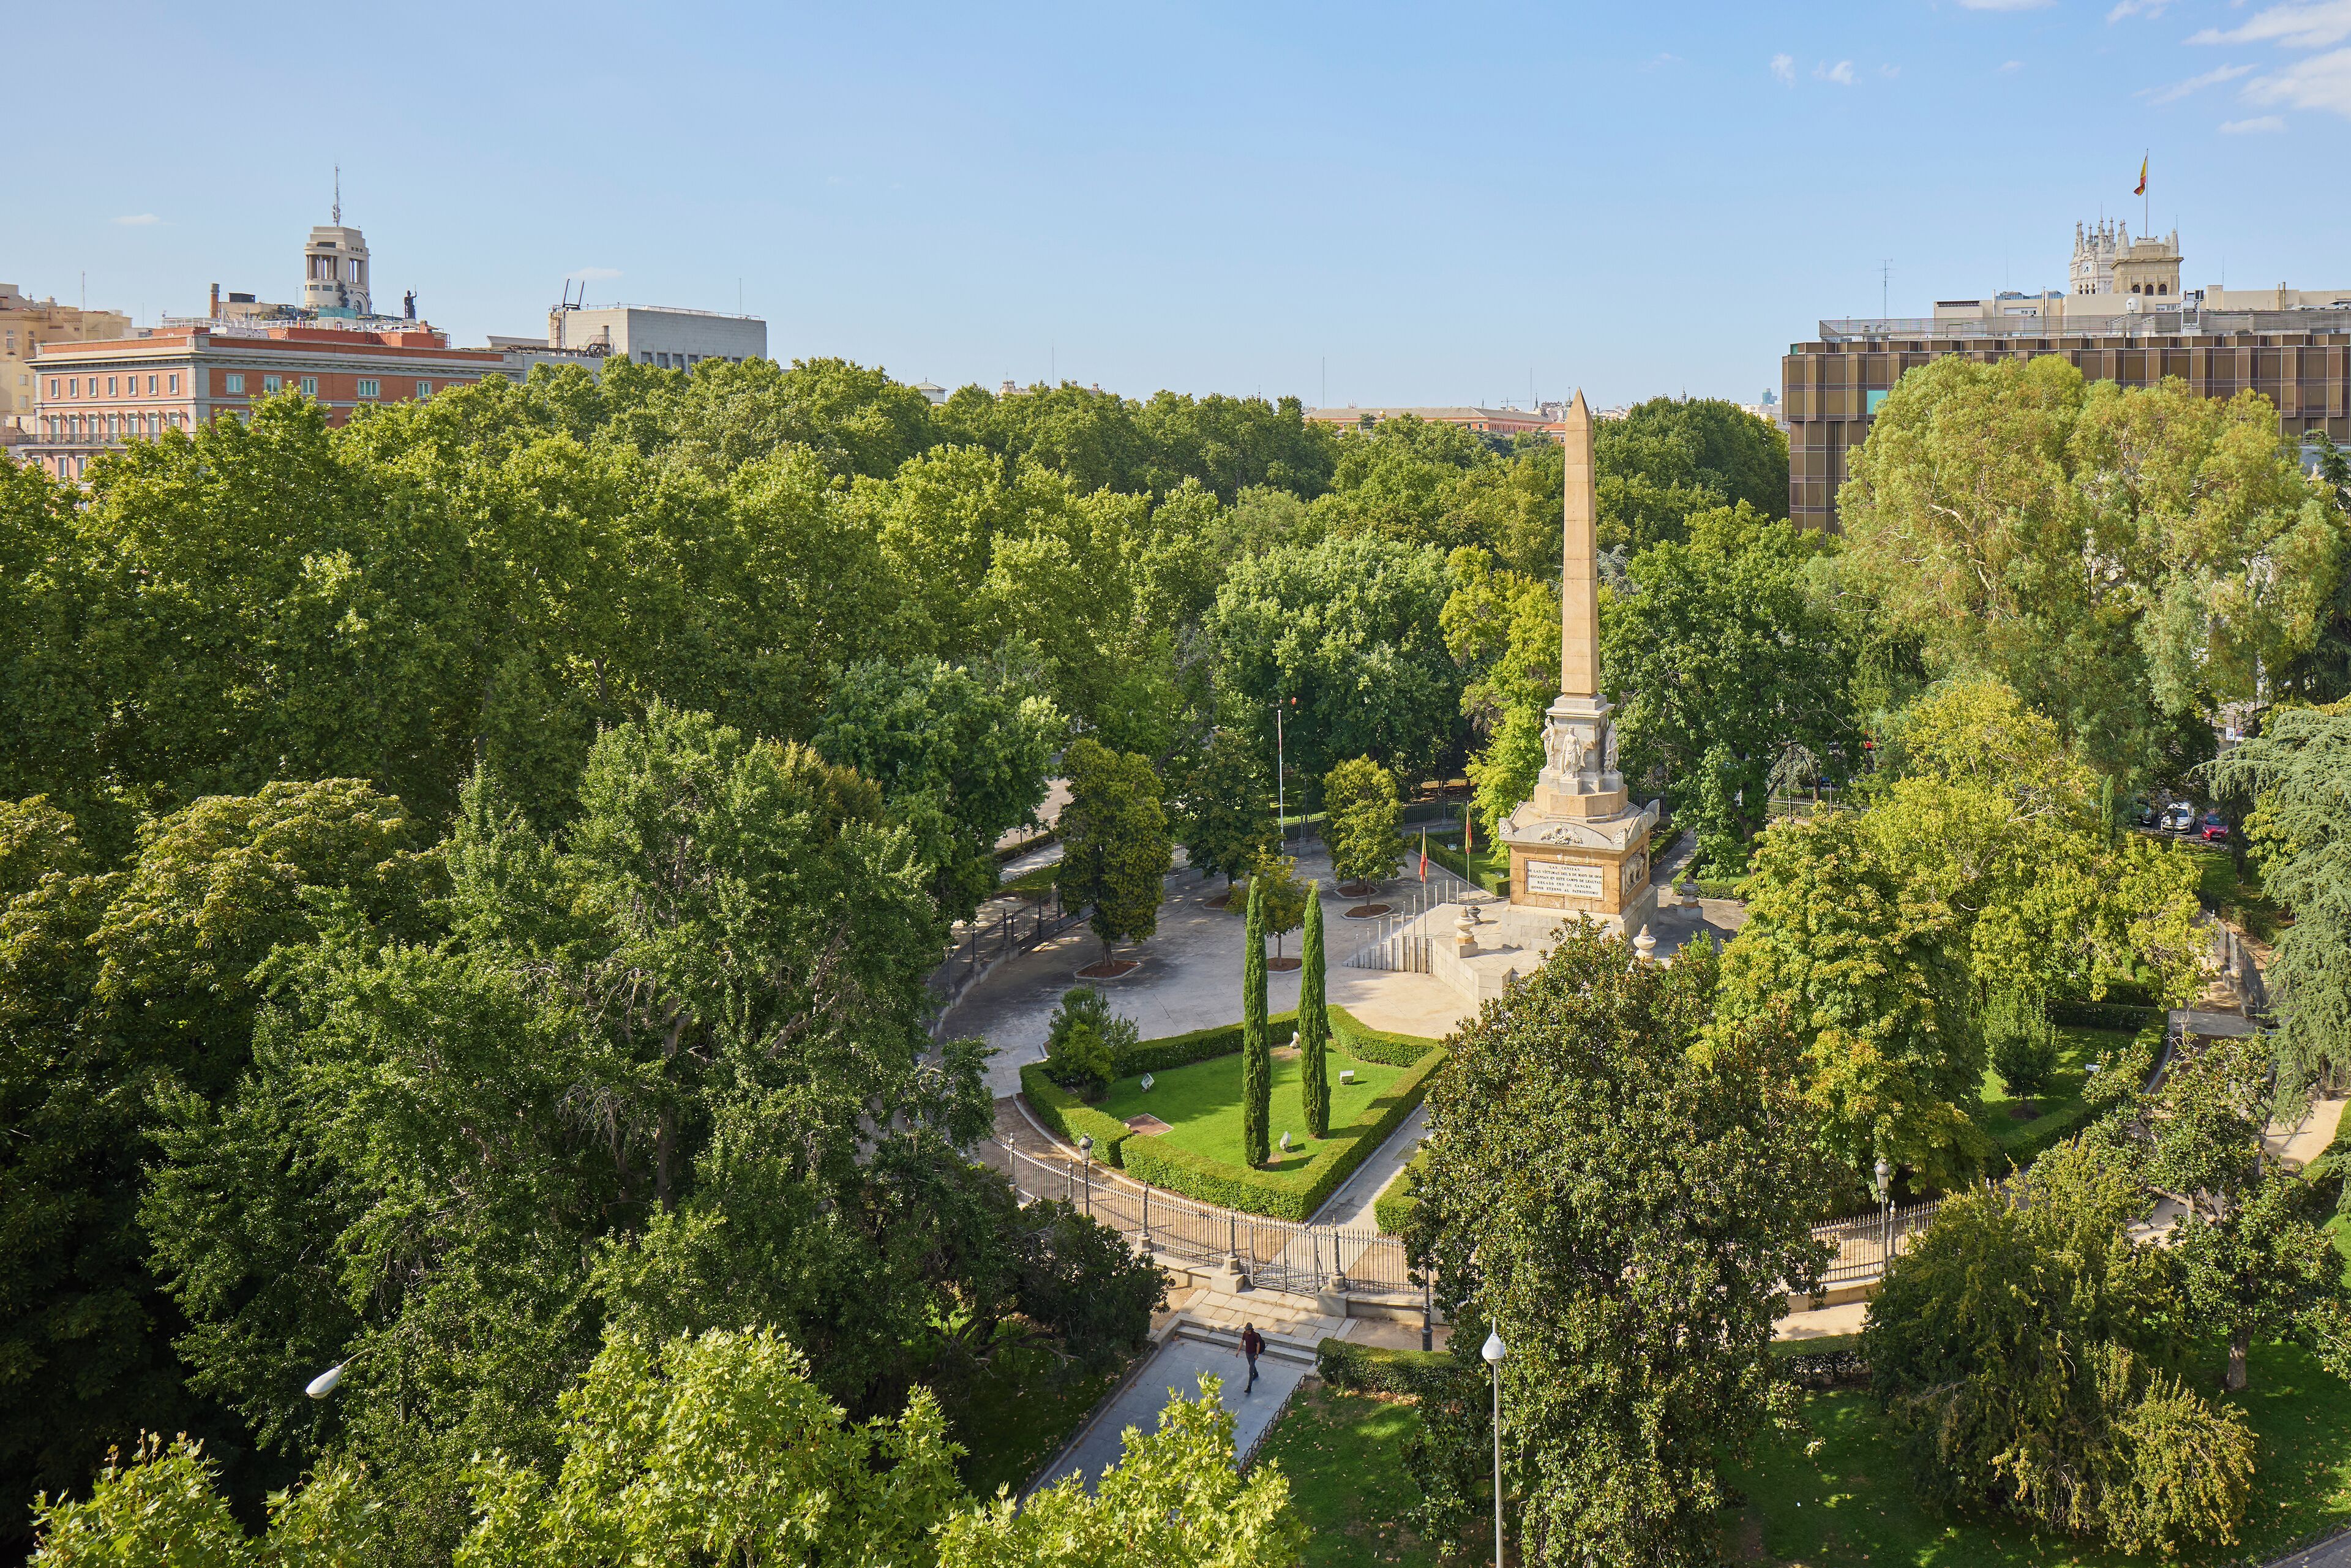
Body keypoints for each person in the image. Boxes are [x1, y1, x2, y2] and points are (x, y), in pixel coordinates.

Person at [1240, 1322, 1264, 1394]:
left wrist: (1257, 1354)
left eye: (1247, 1329)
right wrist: (1238, 1351)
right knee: (1251, 1365)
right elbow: (1242, 1342)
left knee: (1251, 1371)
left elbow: (1258, 1344)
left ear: (1250, 1330)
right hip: (1247, 1353)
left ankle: (1249, 1387)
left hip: (1253, 1354)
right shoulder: (1245, 1334)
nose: (1246, 1330)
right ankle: (1256, 1374)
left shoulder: (1255, 1336)